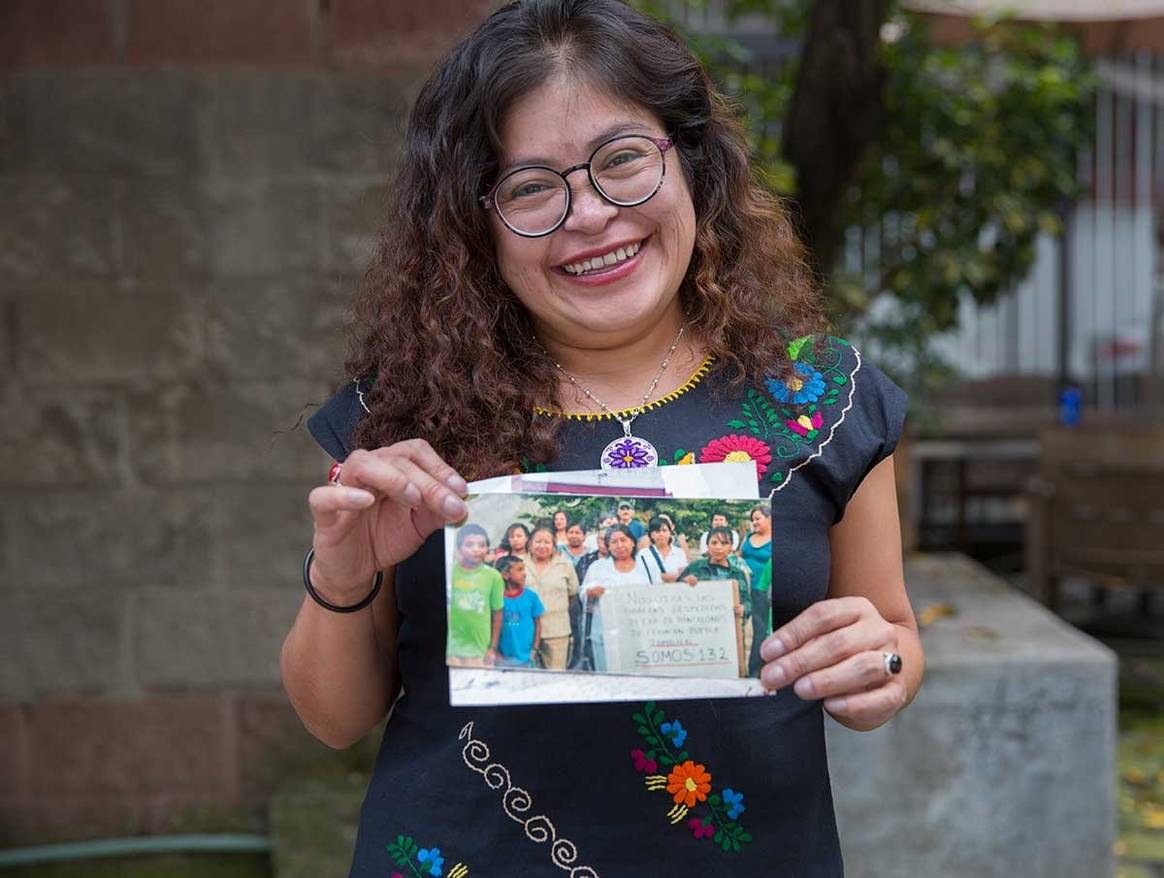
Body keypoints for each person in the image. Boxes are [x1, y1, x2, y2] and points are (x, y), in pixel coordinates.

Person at [285, 2, 922, 873]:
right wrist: (344, 570)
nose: (589, 215)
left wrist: (877, 661)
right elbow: (333, 717)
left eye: (623, 160)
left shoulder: (821, 400)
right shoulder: (402, 420)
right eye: (531, 187)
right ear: (476, 225)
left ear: (692, 165)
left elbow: (894, 644)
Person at [579, 524, 652, 671]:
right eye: (614, 542)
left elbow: (660, 593)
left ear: (632, 542)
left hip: (638, 632)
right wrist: (590, 592)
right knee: (608, 672)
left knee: (637, 673)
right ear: (608, 546)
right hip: (606, 633)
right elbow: (583, 591)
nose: (619, 545)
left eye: (623, 540)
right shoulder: (598, 567)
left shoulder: (646, 565)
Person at [679, 526, 753, 669]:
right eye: (714, 543)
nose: (718, 547)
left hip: (727, 635)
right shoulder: (695, 568)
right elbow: (674, 596)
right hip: (697, 633)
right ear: (707, 546)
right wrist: (684, 583)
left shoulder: (737, 574)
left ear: (731, 547)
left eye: (724, 543)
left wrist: (743, 609)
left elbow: (748, 602)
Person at [444, 524, 503, 667]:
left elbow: (497, 613)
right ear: (459, 549)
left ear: (487, 549)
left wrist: (492, 649)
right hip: (451, 650)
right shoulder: (449, 572)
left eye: (481, 545)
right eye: (469, 544)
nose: (476, 549)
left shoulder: (493, 576)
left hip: (480, 652)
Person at [523, 525, 579, 669]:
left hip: (557, 631)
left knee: (556, 678)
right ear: (529, 544)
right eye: (538, 541)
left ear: (554, 545)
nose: (542, 546)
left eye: (547, 542)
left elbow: (572, 593)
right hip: (526, 631)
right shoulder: (519, 564)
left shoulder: (565, 565)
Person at [494, 555, 545, 667]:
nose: (524, 573)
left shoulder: (531, 596)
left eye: (524, 569)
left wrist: (535, 649)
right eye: (519, 570)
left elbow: (538, 624)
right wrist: (495, 652)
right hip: (502, 659)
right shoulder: (496, 598)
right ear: (505, 575)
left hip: (527, 658)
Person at [740, 505, 773, 676]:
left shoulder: (775, 540)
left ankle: (755, 671)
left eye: (758, 518)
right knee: (738, 627)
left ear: (769, 519)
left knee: (759, 631)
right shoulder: (749, 537)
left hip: (761, 590)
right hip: (742, 588)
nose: (754, 522)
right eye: (753, 519)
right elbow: (739, 557)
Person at [639, 515, 687, 582]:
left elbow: (684, 577)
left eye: (664, 531)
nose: (661, 534)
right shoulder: (643, 554)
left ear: (670, 533)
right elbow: (641, 576)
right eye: (657, 531)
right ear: (651, 535)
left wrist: (667, 577)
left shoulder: (679, 552)